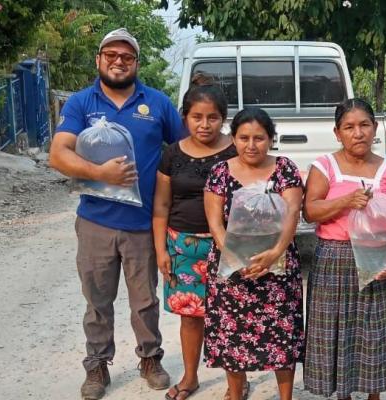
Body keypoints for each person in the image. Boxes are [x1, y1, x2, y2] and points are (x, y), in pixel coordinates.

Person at [48, 28, 184, 400]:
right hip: (95, 221)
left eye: (127, 56)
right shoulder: (80, 103)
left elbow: (185, 146)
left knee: (145, 299)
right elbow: (58, 154)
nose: (119, 62)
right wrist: (100, 173)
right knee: (97, 299)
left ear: (136, 63)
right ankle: (96, 365)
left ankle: (150, 358)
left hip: (143, 224)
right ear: (99, 60)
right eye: (111, 55)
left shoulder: (156, 103)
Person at [303, 98, 386, 400]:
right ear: (337, 133)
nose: (358, 132)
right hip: (335, 260)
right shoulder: (325, 167)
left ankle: (373, 396)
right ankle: (343, 396)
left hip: (379, 260)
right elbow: (310, 211)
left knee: (374, 334)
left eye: (364, 125)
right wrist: (346, 201)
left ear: (375, 128)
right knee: (338, 333)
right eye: (349, 127)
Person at [203, 107, 305, 400]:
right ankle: (236, 393)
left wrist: (275, 253)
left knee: (282, 338)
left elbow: (292, 213)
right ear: (233, 139)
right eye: (243, 137)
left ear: (271, 139)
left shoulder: (285, 169)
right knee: (232, 338)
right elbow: (214, 223)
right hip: (232, 270)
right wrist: (236, 258)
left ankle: (285, 396)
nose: (251, 145)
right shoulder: (220, 172)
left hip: (278, 269)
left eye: (259, 138)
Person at [152, 75, 237, 400]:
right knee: (191, 316)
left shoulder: (235, 151)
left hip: (227, 246)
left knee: (230, 315)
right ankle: (190, 377)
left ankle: (235, 385)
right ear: (185, 117)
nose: (204, 124)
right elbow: (161, 205)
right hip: (183, 246)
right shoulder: (172, 154)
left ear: (223, 119)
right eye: (197, 117)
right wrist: (161, 250)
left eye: (212, 117)